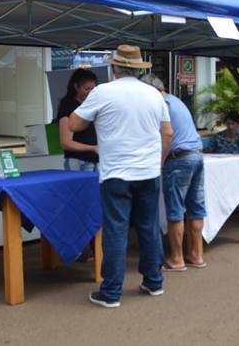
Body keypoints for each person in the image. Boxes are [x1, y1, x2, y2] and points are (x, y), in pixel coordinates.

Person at [69, 45, 173, 307]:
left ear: (113, 68)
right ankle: (153, 282)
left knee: (116, 231)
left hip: (116, 173)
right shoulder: (154, 94)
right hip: (148, 172)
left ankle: (112, 292)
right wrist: (158, 162)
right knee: (149, 227)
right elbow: (168, 132)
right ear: (138, 69)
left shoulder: (102, 92)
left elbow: (73, 125)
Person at [140, 75, 207, 271]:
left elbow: (166, 134)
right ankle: (197, 255)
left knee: (175, 210)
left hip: (179, 159)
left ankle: (177, 258)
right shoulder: (176, 100)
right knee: (196, 208)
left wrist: (160, 160)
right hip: (196, 155)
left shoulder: (163, 105)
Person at [56, 68, 99, 170]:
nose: (90, 92)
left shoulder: (94, 104)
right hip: (79, 161)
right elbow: (66, 142)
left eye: (93, 89)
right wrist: (93, 148)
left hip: (97, 161)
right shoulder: (68, 106)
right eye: (86, 89)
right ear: (76, 87)